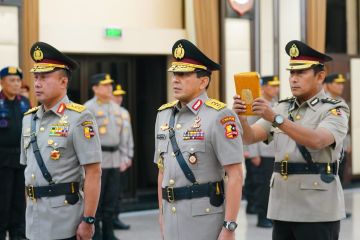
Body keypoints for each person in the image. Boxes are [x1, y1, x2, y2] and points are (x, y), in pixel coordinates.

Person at [233, 40, 349, 240]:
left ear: (320, 76)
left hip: (316, 207)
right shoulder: (282, 107)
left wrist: (276, 119)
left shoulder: (333, 109)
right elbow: (250, 137)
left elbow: (317, 141)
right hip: (282, 204)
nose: (293, 79)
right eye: (291, 73)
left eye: (300, 73)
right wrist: (241, 118)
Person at [155, 39, 244, 240]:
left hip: (205, 220)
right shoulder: (164, 115)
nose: (175, 80)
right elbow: (162, 170)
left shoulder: (220, 115)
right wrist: (161, 215)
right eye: (174, 74)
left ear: (203, 81)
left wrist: (229, 226)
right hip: (171, 218)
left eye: (183, 74)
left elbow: (235, 175)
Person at [20, 42, 102, 240]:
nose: (37, 83)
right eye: (36, 77)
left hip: (65, 221)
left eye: (45, 77)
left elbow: (93, 172)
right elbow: (28, 171)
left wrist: (88, 220)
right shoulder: (28, 118)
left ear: (63, 82)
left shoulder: (80, 117)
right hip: (34, 221)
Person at [85, 74, 127, 240]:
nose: (110, 88)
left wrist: (125, 156)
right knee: (98, 200)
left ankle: (109, 233)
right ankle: (97, 234)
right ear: (95, 88)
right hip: (98, 160)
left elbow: (123, 134)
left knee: (111, 198)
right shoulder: (88, 108)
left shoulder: (116, 107)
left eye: (111, 85)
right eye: (105, 85)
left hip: (115, 159)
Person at [0, 66, 30, 240]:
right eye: (12, 80)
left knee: (20, 204)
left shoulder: (24, 103)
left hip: (21, 160)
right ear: (2, 82)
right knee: (2, 204)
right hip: (2, 161)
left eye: (18, 80)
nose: (16, 83)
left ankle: (18, 235)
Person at [247, 75, 279, 228]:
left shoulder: (276, 103)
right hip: (263, 152)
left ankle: (271, 215)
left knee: (272, 187)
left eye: (277, 86)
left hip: (275, 152)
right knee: (263, 187)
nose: (276, 89)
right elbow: (250, 129)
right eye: (273, 86)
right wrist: (253, 153)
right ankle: (262, 217)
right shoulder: (257, 103)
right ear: (264, 87)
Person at [323, 73, 352, 218]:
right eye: (337, 83)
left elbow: (345, 127)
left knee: (339, 179)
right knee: (327, 181)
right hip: (328, 148)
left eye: (342, 83)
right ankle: (327, 210)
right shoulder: (323, 101)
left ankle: (339, 209)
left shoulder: (341, 101)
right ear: (327, 84)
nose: (341, 86)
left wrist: (348, 144)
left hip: (341, 148)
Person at [112, 84, 133, 230]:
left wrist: (129, 156)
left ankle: (115, 217)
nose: (119, 98)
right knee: (108, 192)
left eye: (121, 95)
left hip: (122, 158)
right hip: (109, 158)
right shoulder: (105, 113)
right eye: (116, 95)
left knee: (118, 191)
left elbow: (128, 136)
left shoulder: (125, 113)